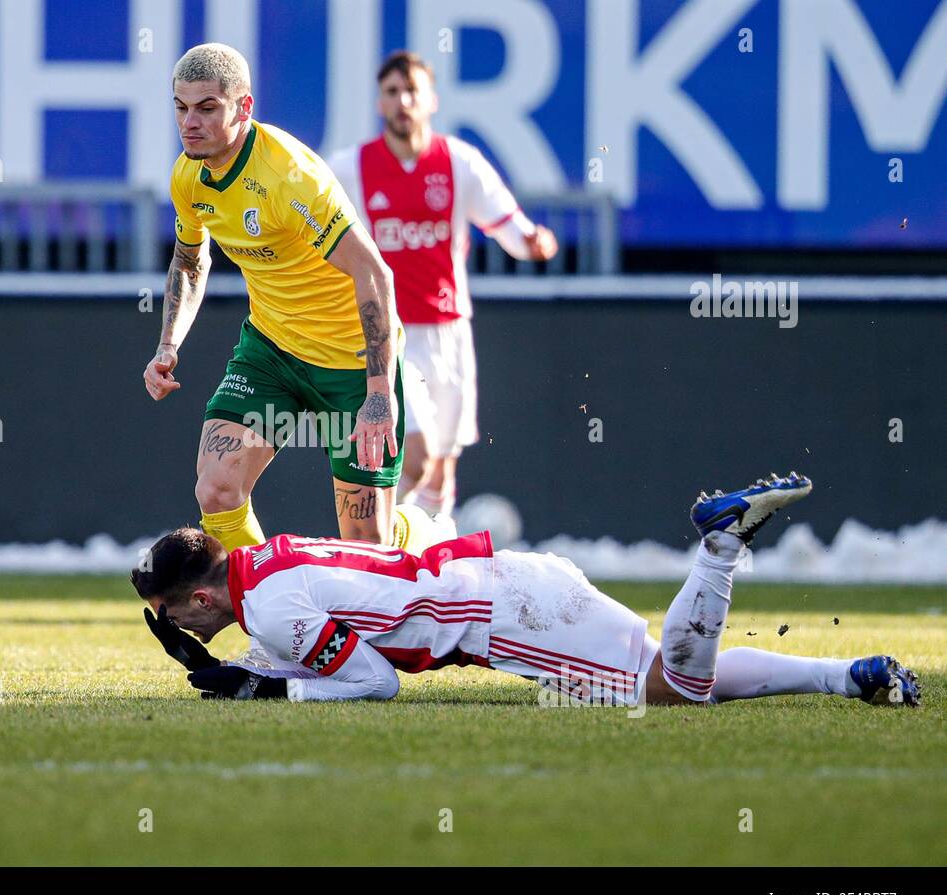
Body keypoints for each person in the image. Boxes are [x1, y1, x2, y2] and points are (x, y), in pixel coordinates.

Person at [130, 471, 921, 708]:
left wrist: (270, 694)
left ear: (200, 598)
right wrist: (252, 674)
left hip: (500, 616)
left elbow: (371, 682)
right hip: (506, 587)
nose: (178, 630)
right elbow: (326, 646)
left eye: (174, 616)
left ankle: (719, 546)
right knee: (671, 671)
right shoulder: (265, 568)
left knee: (674, 690)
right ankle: (848, 676)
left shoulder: (265, 603)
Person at [144, 43, 435, 555]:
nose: (190, 123)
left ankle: (424, 532)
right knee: (216, 490)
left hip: (349, 361)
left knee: (369, 546)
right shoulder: (188, 176)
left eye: (207, 107)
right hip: (271, 351)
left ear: (244, 107)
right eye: (181, 107)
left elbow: (375, 274)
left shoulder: (288, 178)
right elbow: (190, 261)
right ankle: (266, 617)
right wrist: (168, 343)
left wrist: (377, 392)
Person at [326, 51, 559, 523]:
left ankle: (430, 569)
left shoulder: (459, 162)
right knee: (416, 456)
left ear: (431, 100)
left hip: (450, 333)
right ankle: (373, 547)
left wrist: (534, 243)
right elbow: (310, 218)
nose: (402, 102)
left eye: (412, 91)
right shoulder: (351, 167)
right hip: (389, 333)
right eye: (392, 92)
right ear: (379, 102)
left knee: (441, 474)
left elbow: (511, 227)